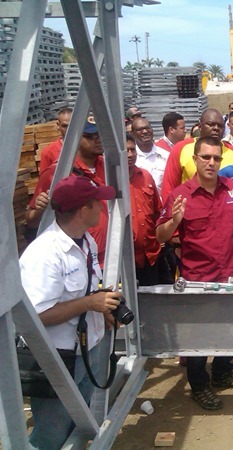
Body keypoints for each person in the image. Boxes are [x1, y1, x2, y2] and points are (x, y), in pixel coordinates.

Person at [156, 136, 233, 411]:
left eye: (216, 158)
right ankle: (199, 384)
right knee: (199, 335)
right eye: (206, 157)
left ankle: (223, 371)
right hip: (198, 279)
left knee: (230, 328)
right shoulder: (180, 196)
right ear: (194, 160)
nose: (211, 163)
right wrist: (174, 221)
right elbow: (159, 236)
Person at [20, 175, 121, 450]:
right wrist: (90, 305)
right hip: (58, 359)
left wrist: (103, 306)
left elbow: (85, 290)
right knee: (52, 434)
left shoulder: (85, 240)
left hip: (90, 349)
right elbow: (35, 317)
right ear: (82, 210)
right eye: (96, 202)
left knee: (82, 419)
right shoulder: (44, 254)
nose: (102, 207)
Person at [26, 115, 111, 267]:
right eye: (90, 136)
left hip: (109, 258)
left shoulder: (108, 166)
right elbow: (31, 221)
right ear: (76, 139)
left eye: (100, 135)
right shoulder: (57, 173)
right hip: (76, 261)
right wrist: (39, 210)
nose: (98, 140)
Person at [161, 108, 233, 202]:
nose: (216, 128)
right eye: (210, 124)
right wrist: (171, 214)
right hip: (190, 212)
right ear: (200, 127)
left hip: (223, 213)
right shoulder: (181, 149)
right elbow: (168, 188)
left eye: (220, 126)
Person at [125, 132, 171, 286]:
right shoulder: (109, 180)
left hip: (151, 255)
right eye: (126, 151)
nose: (130, 155)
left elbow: (158, 212)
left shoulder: (145, 176)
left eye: (133, 150)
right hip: (126, 261)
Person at [131, 117, 169, 193]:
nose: (145, 131)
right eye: (140, 129)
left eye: (147, 128)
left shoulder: (166, 156)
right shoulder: (130, 158)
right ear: (132, 134)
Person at [39, 107, 73, 173]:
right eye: (65, 126)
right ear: (58, 125)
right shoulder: (48, 152)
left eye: (72, 125)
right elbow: (45, 180)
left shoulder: (88, 148)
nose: (69, 129)